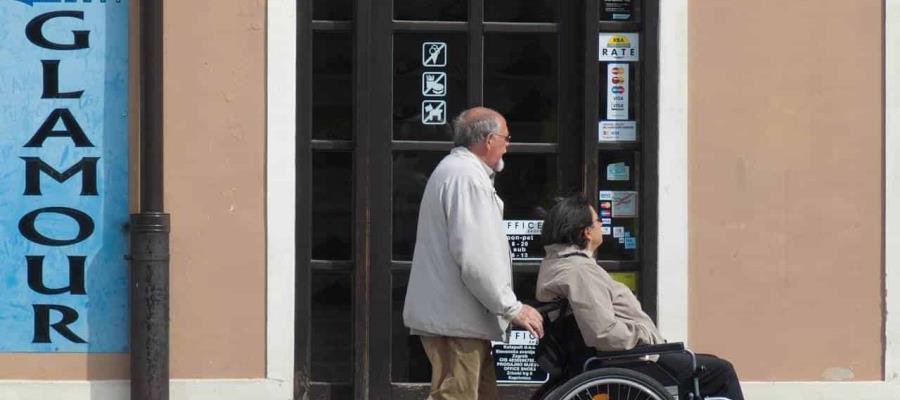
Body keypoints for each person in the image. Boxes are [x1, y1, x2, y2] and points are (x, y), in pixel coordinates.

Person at [536, 194, 744, 400]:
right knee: (721, 372)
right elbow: (603, 333)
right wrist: (643, 334)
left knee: (708, 362)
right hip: (626, 360)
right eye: (598, 220)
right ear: (587, 232)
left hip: (619, 359)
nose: (602, 225)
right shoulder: (579, 271)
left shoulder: (561, 264)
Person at [403, 107, 544, 400]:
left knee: (479, 394)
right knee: (458, 396)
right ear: (489, 139)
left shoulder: (458, 172)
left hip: (457, 317)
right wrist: (511, 307)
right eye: (506, 138)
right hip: (457, 320)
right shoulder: (467, 178)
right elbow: (476, 257)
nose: (508, 144)